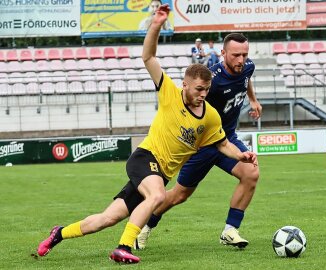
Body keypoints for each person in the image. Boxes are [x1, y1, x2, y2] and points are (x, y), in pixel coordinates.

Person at [36, 4, 257, 264]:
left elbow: (222, 145)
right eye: (198, 89)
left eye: (206, 90)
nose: (203, 95)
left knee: (105, 219)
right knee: (158, 195)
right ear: (184, 85)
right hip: (144, 158)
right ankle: (124, 246)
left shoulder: (210, 115)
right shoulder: (169, 93)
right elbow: (149, 58)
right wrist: (156, 25)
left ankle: (58, 234)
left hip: (158, 173)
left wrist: (241, 156)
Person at [135, 32, 262, 250]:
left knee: (251, 173)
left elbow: (246, 80)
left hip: (227, 139)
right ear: (223, 53)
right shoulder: (212, 80)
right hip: (201, 145)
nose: (241, 60)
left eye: (244, 54)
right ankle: (145, 226)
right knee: (178, 195)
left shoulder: (248, 66)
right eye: (235, 55)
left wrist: (253, 99)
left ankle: (230, 230)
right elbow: (187, 101)